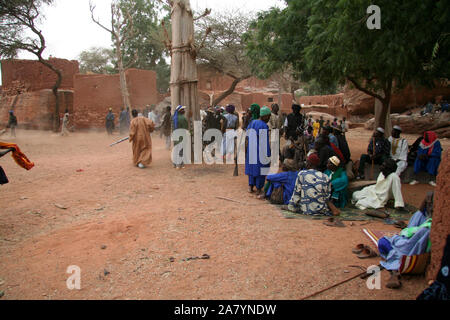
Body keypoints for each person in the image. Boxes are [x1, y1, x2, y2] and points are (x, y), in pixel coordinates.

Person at [378, 192, 433, 289]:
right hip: (420, 252)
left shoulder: (424, 223)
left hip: (408, 251)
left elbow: (408, 241)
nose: (430, 207)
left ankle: (395, 266)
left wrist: (397, 238)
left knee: (383, 241)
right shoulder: (430, 222)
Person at [245, 106, 271, 195]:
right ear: (265, 116)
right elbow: (264, 142)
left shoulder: (252, 122)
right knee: (261, 169)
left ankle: (250, 186)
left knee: (252, 168)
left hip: (251, 149)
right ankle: (259, 188)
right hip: (260, 151)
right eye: (269, 116)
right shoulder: (264, 126)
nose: (269, 118)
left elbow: (247, 136)